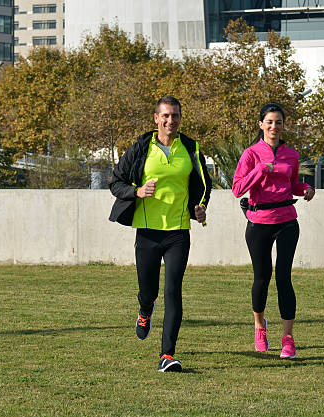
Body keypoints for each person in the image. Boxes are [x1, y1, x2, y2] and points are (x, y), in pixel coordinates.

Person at [108, 95, 212, 372]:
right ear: (156, 119)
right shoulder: (142, 147)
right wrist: (137, 191)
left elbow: (203, 184)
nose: (170, 120)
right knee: (148, 290)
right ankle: (144, 310)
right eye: (165, 116)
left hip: (178, 232)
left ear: (180, 118)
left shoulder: (190, 147)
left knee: (173, 291)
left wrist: (199, 207)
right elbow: (116, 182)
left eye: (175, 115)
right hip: (147, 233)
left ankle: (167, 354)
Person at [232, 103, 315, 359]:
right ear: (261, 124)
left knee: (284, 277)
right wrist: (259, 170)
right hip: (259, 221)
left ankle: (288, 338)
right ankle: (260, 327)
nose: (274, 127)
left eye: (278, 122)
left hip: (287, 219)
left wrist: (307, 189)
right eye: (269, 122)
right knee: (262, 277)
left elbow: (292, 185)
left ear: (283, 125)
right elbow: (237, 189)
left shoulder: (291, 154)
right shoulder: (251, 154)